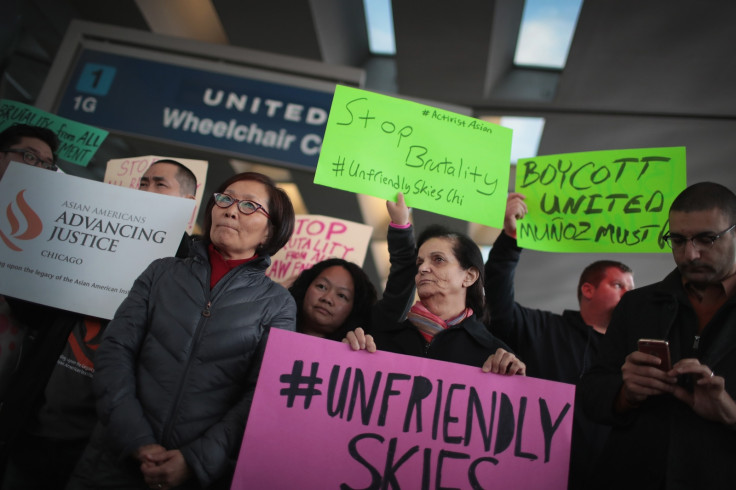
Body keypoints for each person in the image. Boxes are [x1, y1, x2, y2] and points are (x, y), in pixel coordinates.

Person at [66, 172, 297, 490]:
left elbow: (260, 396)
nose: (230, 210)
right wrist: (137, 441)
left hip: (193, 476)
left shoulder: (278, 304)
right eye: (225, 199)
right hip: (113, 459)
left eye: (249, 206)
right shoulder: (161, 272)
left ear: (271, 231)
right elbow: (115, 352)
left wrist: (196, 460)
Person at [579, 182, 736, 490]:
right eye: (677, 240)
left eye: (707, 239)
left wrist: (730, 413)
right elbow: (591, 395)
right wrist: (626, 393)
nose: (690, 254)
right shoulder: (638, 305)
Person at [483, 192, 634, 489]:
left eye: (632, 288)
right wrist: (511, 239)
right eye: (618, 285)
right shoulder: (543, 329)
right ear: (588, 290)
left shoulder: (631, 354)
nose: (629, 295)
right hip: (535, 476)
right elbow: (498, 304)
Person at [357, 224, 526, 375]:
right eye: (419, 262)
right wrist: (349, 356)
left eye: (438, 259)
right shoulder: (377, 342)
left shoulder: (496, 358)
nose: (422, 268)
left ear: (469, 276)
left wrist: (515, 382)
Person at [289, 193, 415, 342]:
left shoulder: (360, 344)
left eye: (342, 295)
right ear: (304, 288)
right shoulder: (268, 325)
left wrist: (400, 226)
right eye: (321, 286)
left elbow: (399, 292)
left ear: (354, 310)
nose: (327, 299)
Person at [138, 159, 198, 258]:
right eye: (143, 184)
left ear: (188, 202)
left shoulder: (193, 258)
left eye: (161, 185)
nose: (147, 191)